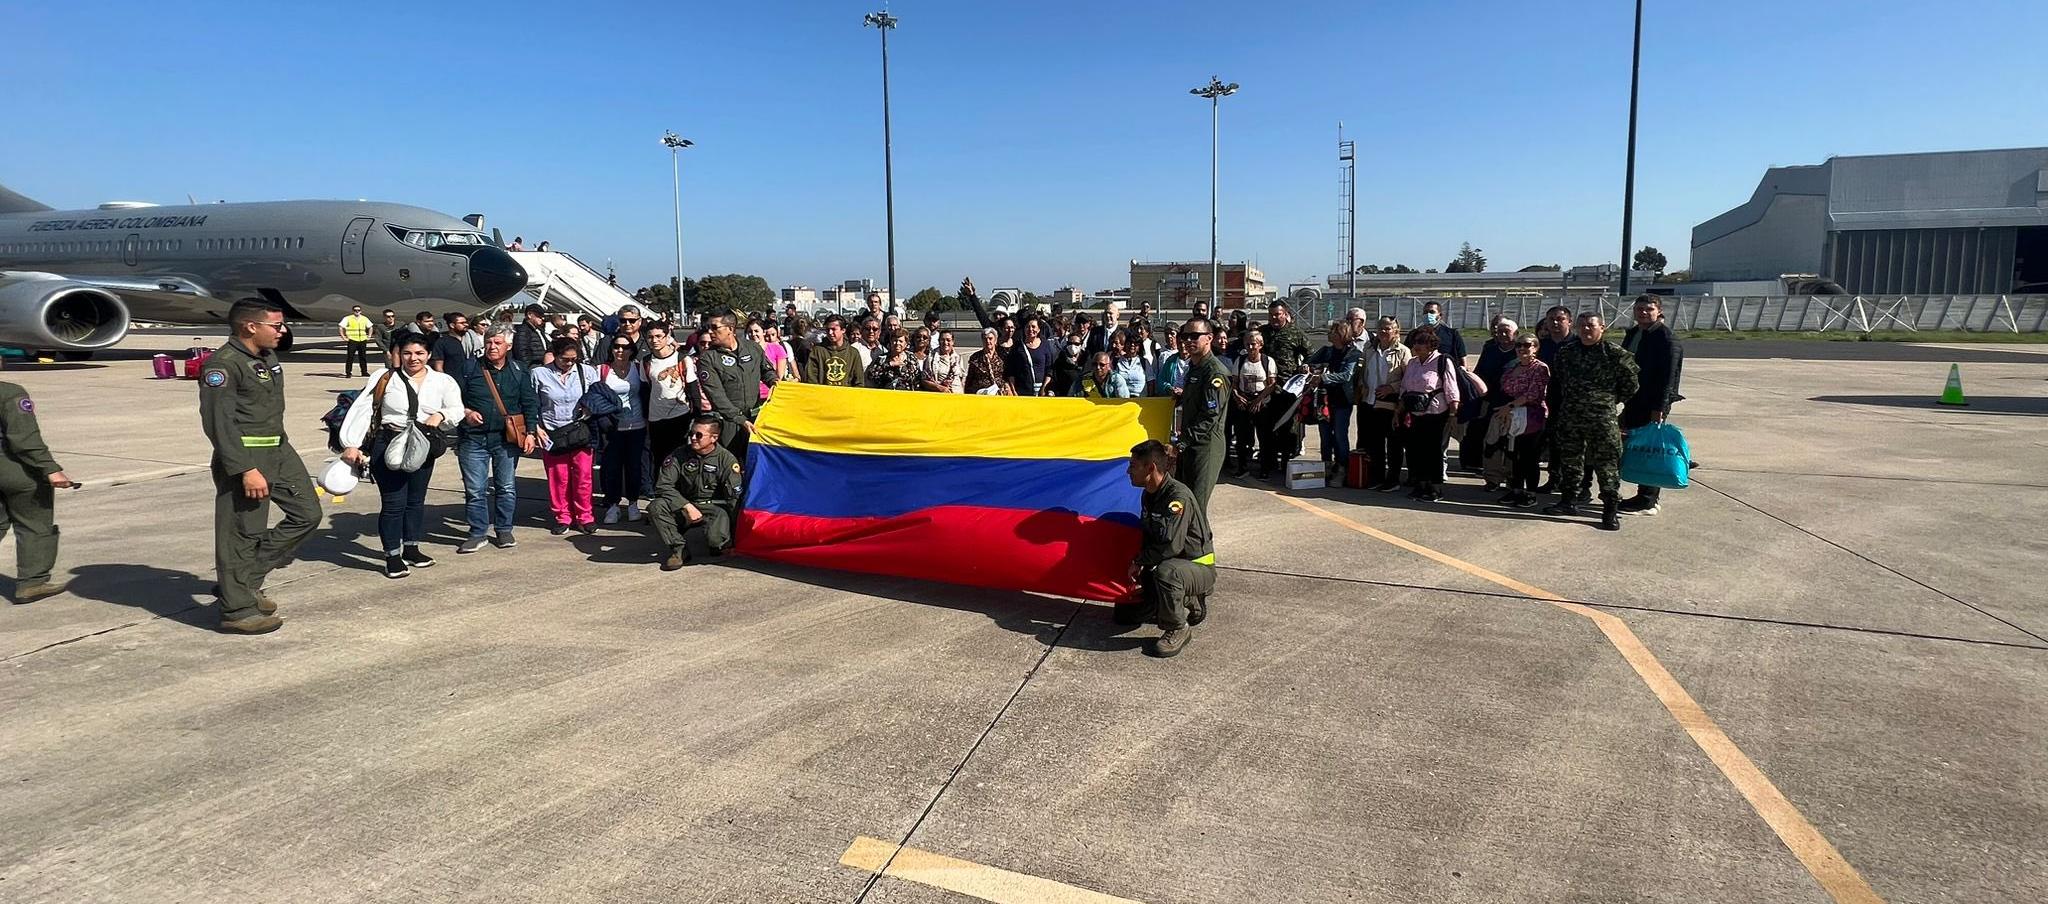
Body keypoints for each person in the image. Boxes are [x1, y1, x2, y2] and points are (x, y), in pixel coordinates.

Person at [199, 299, 319, 634]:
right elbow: (218, 423)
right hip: (247, 458)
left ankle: (244, 581)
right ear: (250, 326)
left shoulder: (267, 357)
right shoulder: (223, 365)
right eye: (276, 326)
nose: (283, 331)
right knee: (241, 532)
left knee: (307, 514)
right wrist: (245, 470)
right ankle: (237, 610)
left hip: (279, 450)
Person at [338, 334, 464, 578]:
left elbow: (457, 409)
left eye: (419, 353)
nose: (413, 358)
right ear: (398, 354)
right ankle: (392, 556)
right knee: (394, 502)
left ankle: (411, 548)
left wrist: (441, 415)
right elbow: (364, 410)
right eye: (407, 353)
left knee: (416, 501)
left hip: (422, 444)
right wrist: (351, 443)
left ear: (428, 355)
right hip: (388, 442)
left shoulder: (443, 381)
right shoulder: (385, 377)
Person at [1119, 439, 1215, 659]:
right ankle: (1161, 604)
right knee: (1123, 615)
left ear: (1150, 468)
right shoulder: (1150, 494)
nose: (1128, 471)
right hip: (1171, 563)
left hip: (1196, 567)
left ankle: (1178, 625)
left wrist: (1140, 561)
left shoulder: (1177, 498)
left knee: (1167, 573)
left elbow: (1172, 545)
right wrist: (1139, 563)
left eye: (1133, 465)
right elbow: (1150, 536)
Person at [1544, 313, 1640, 530]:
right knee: (1570, 461)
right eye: (1582, 326)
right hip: (1571, 416)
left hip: (1602, 418)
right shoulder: (1567, 352)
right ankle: (1568, 500)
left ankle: (1609, 510)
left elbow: (1631, 384)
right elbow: (1559, 380)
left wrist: (1607, 399)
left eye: (1591, 325)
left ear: (1602, 328)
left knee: (1607, 464)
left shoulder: (1615, 353)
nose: (1586, 329)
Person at [454, 327, 539, 554]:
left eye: (498, 343)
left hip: (506, 440)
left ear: (508, 346)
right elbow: (452, 399)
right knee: (475, 489)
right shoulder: (469, 368)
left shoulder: (519, 370)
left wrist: (531, 432)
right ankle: (477, 533)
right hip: (473, 439)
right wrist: (466, 412)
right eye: (489, 342)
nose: (492, 347)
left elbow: (530, 403)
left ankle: (504, 530)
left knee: (506, 487)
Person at [0, 372, 73, 602]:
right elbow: (24, 439)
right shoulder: (9, 392)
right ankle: (32, 583)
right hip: (13, 469)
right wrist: (50, 469)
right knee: (34, 523)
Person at [649, 416, 743, 570]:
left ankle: (718, 542)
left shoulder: (726, 459)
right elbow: (663, 485)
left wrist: (736, 536)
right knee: (657, 506)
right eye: (691, 433)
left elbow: (734, 498)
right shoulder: (679, 455)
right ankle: (679, 549)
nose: (693, 438)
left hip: (714, 508)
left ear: (714, 438)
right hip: (686, 506)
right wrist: (686, 505)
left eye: (699, 435)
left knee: (717, 543)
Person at [1619, 295, 1684, 516]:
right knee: (1637, 447)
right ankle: (1643, 494)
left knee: (1651, 450)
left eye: (1649, 309)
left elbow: (1669, 378)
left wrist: (1660, 409)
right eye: (1639, 309)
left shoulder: (1666, 339)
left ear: (1659, 311)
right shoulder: (1635, 333)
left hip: (1651, 403)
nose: (1643, 313)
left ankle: (1648, 499)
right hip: (1633, 400)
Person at [533, 336, 601, 535]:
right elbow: (531, 402)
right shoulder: (539, 374)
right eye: (565, 359)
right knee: (558, 478)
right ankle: (562, 516)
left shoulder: (587, 372)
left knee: (583, 476)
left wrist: (589, 408)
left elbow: (597, 396)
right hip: (552, 432)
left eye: (573, 359)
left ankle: (585, 516)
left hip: (580, 431)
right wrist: (536, 427)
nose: (569, 363)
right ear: (554, 356)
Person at [699, 310, 775, 461]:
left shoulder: (752, 348)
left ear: (730, 328)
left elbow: (766, 371)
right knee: (731, 463)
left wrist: (775, 382)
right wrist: (740, 420)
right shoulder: (708, 358)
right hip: (729, 423)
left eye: (714, 327)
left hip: (756, 418)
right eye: (708, 327)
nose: (710, 332)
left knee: (757, 462)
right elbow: (717, 396)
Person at [1173, 317, 1231, 510]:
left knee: (1196, 506)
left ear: (1209, 338)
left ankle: (1201, 533)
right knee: (1184, 502)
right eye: (1185, 336)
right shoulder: (1194, 367)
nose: (1188, 340)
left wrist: (1182, 442)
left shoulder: (1214, 373)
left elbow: (1209, 416)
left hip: (1206, 447)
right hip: (1190, 444)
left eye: (1195, 336)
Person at [1397, 327, 1460, 502]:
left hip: (1436, 413)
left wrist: (1453, 414)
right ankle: (1421, 484)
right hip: (1415, 413)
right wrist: (1398, 410)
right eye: (1415, 342)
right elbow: (1404, 387)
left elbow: (1451, 388)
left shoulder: (1442, 361)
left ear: (1431, 344)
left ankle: (1435, 487)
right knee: (1417, 450)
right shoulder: (1413, 363)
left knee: (1433, 451)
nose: (1417, 346)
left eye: (1421, 342)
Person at [597, 335, 651, 525]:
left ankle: (633, 503)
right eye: (616, 347)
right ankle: (613, 505)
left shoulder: (638, 368)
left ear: (632, 350)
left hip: (637, 425)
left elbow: (647, 393)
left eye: (625, 347)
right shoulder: (602, 370)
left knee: (634, 467)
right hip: (612, 428)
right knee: (612, 467)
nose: (620, 351)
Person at [1494, 335, 1551, 508]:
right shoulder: (1513, 366)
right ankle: (1516, 489)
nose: (1521, 348)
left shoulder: (1540, 368)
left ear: (1535, 348)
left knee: (1530, 456)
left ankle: (1531, 493)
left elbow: (1533, 393)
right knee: (1515, 455)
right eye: (1518, 345)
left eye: (1527, 345)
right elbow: (1504, 387)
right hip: (1514, 416)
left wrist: (1510, 406)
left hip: (1532, 416)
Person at [1358, 316, 1412, 492]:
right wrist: (1362, 386)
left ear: (1396, 331)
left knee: (1394, 444)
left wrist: (1391, 388)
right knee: (1375, 443)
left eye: (1388, 328)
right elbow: (1363, 371)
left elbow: (1408, 379)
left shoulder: (1403, 352)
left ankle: (1393, 479)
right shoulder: (1369, 349)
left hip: (1391, 405)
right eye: (1381, 327)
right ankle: (1377, 477)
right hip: (1370, 402)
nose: (1383, 331)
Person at [1462, 317, 1520, 477]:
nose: (1502, 334)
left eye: (1507, 331)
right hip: (1489, 400)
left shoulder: (1520, 352)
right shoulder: (1490, 350)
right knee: (1489, 437)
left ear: (1516, 334)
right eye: (1500, 331)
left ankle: (1509, 474)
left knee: (1510, 440)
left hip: (1512, 403)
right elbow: (1479, 371)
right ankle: (1488, 472)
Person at [1306, 321, 1361, 481]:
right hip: (1324, 400)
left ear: (1343, 334)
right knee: (1324, 435)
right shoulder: (1326, 351)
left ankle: (1342, 467)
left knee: (1340, 435)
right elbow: (1309, 363)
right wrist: (1306, 368)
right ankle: (1326, 466)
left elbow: (1346, 375)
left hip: (1342, 400)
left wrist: (1323, 377)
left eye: (1334, 331)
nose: (1330, 334)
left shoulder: (1353, 353)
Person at [1258, 302, 1311, 461]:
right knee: (1266, 426)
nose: (1274, 318)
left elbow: (1310, 354)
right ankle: (1268, 460)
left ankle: (1287, 461)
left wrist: (1305, 367)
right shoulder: (1263, 332)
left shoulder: (1295, 333)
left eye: (1277, 314)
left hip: (1287, 387)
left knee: (1287, 427)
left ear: (1285, 314)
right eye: (1271, 315)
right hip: (1266, 386)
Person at [644, 321, 697, 468]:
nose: (654, 340)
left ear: (667, 337)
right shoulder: (646, 362)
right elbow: (645, 390)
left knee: (680, 458)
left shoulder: (683, 359)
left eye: (658, 336)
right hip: (656, 418)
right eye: (650, 337)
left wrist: (697, 417)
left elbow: (693, 389)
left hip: (680, 415)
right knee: (659, 459)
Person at [1227, 330, 1274, 478]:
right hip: (1244, 401)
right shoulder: (1240, 361)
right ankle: (1242, 466)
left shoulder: (1268, 361)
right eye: (1247, 344)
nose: (1250, 347)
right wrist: (1237, 396)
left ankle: (1264, 468)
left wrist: (1259, 400)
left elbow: (1271, 384)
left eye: (1253, 344)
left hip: (1262, 403)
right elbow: (1234, 382)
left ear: (1260, 345)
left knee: (1264, 437)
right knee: (1241, 438)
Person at [805, 315, 864, 387]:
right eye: (828, 329)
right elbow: (811, 379)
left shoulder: (853, 353)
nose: (830, 332)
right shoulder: (817, 351)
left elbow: (859, 382)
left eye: (833, 329)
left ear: (843, 330)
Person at [1007, 316, 1055, 396]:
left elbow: (1049, 369)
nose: (1030, 329)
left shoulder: (1045, 345)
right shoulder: (1017, 346)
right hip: (1022, 391)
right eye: (1027, 327)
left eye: (1033, 327)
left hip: (1041, 392)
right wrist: (1013, 390)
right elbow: (1011, 370)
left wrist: (1044, 388)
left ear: (1038, 329)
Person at [1420, 300, 1468, 368]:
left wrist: (1464, 371)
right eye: (1425, 312)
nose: (1428, 315)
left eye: (1432, 312)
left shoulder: (1452, 334)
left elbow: (1462, 357)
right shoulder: (1415, 334)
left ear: (1440, 315)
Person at [965, 328, 1010, 395]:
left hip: (999, 393)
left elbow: (1007, 377)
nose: (988, 341)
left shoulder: (1002, 356)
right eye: (985, 339)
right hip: (981, 394)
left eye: (990, 338)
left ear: (995, 340)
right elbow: (969, 379)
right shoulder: (975, 358)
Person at [755, 321, 796, 394]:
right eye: (767, 336)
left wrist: (796, 379)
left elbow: (793, 369)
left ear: (778, 333)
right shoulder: (754, 349)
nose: (770, 338)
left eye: (773, 334)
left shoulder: (783, 347)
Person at [1109, 329, 1149, 399]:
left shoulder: (1144, 362)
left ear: (1139, 347)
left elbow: (1151, 382)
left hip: (1141, 400)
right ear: (1125, 345)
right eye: (1129, 342)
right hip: (1121, 400)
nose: (1132, 345)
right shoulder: (1116, 361)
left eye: (1136, 343)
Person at [338, 305, 374, 378]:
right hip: (352, 340)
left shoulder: (364, 318)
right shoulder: (348, 318)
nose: (357, 311)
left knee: (363, 357)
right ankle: (348, 372)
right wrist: (343, 337)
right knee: (350, 357)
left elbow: (370, 327)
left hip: (362, 340)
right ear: (353, 311)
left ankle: (364, 372)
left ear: (361, 311)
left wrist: (369, 336)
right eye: (355, 310)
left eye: (358, 310)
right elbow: (341, 327)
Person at [512, 303, 550, 368]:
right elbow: (521, 352)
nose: (542, 318)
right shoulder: (523, 330)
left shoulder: (539, 330)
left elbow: (548, 346)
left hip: (542, 366)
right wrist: (528, 368)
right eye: (539, 316)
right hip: (532, 367)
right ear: (529, 315)